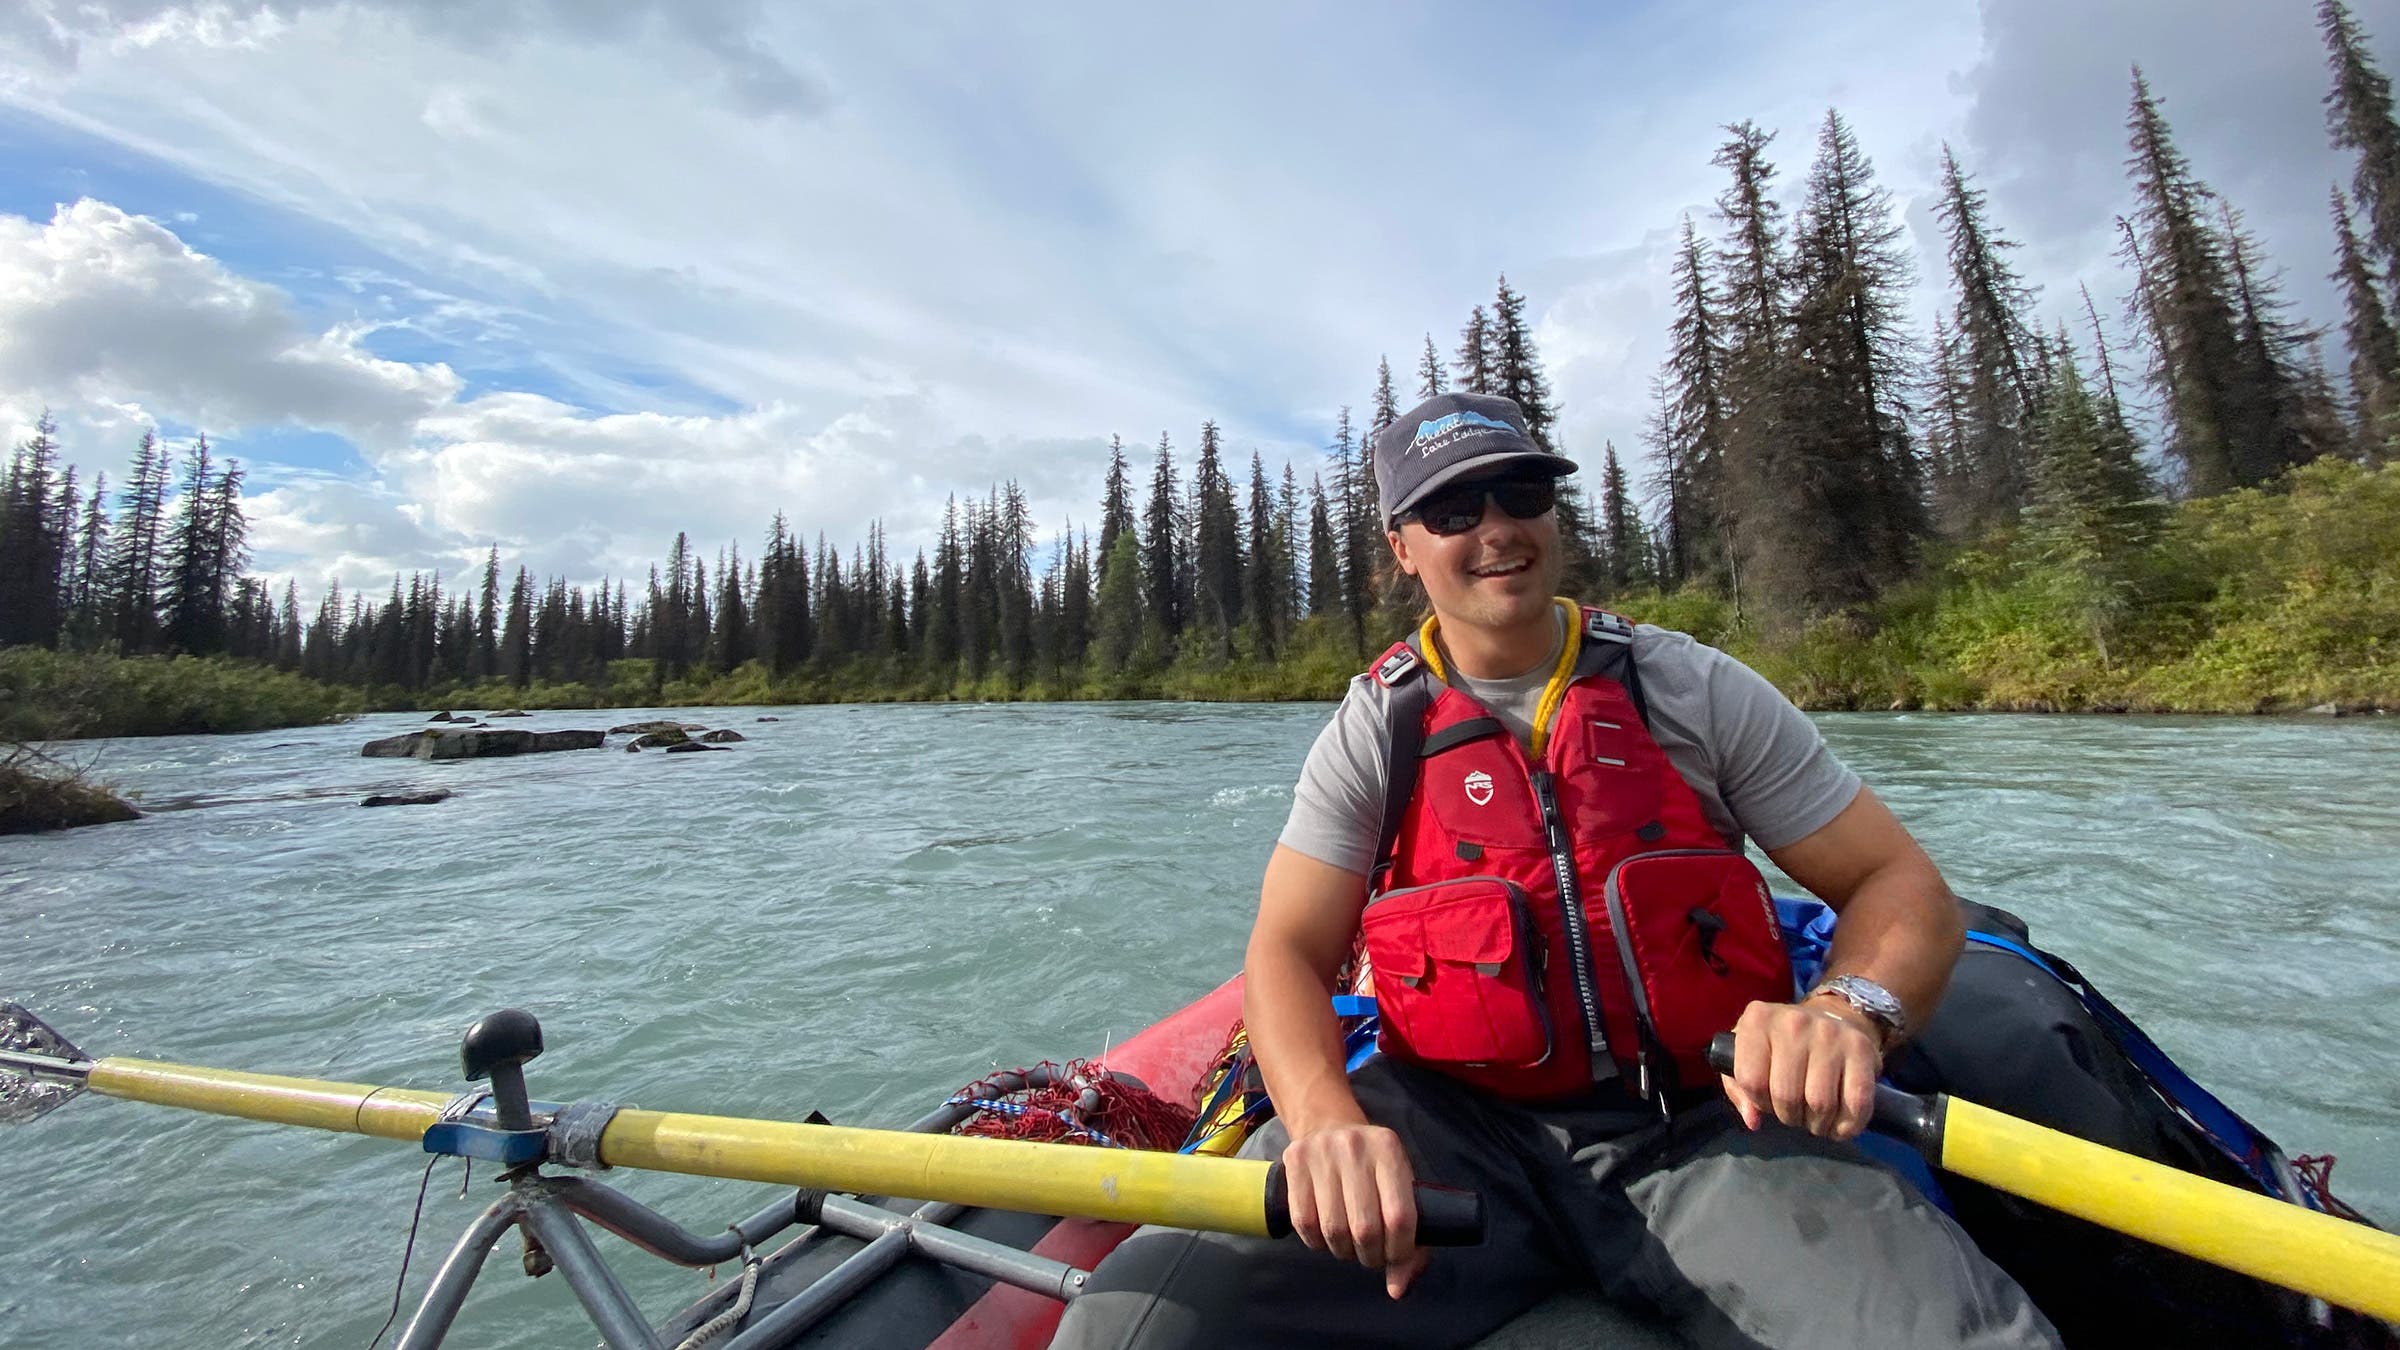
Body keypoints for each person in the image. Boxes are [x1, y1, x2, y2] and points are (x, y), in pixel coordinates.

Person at [1052, 392, 2061, 1350]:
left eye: (1520, 493)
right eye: (1453, 509)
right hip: (1451, 1135)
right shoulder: (1376, 729)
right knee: (1125, 1329)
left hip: (1710, 1125)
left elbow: (1898, 884)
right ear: (1403, 549)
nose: (1496, 528)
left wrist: (1845, 1013)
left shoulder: (1691, 688)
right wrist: (1323, 1123)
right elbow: (1285, 952)